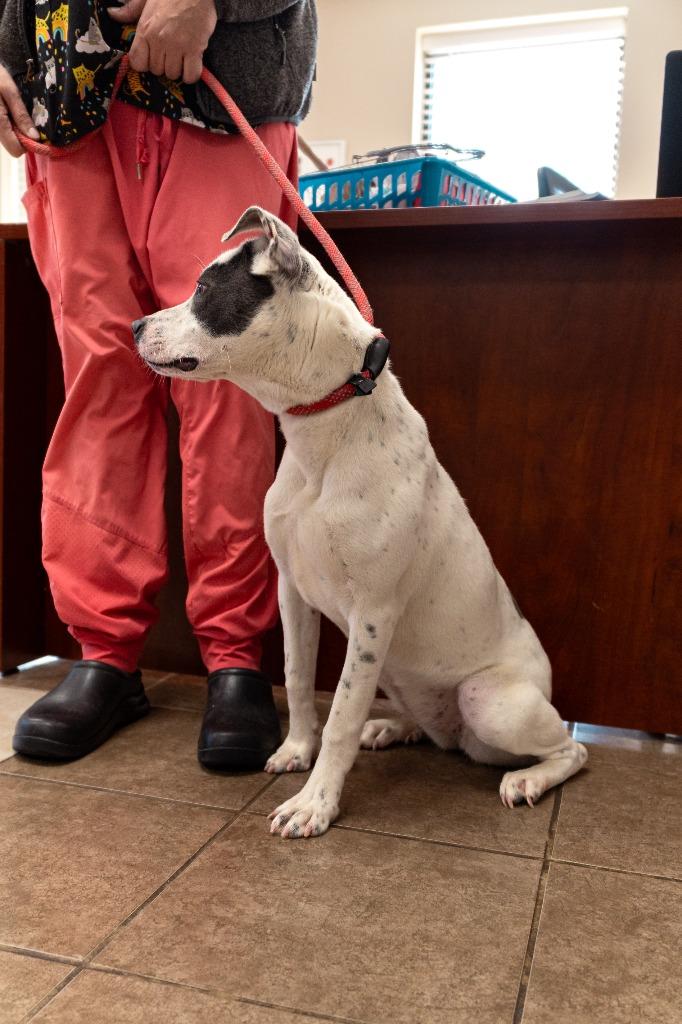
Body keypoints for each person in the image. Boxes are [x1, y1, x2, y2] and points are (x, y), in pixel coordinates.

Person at [0, 0, 317, 768]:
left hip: (219, 78)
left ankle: (235, 656)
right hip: (65, 100)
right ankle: (104, 651)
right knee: (99, 379)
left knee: (224, 381)